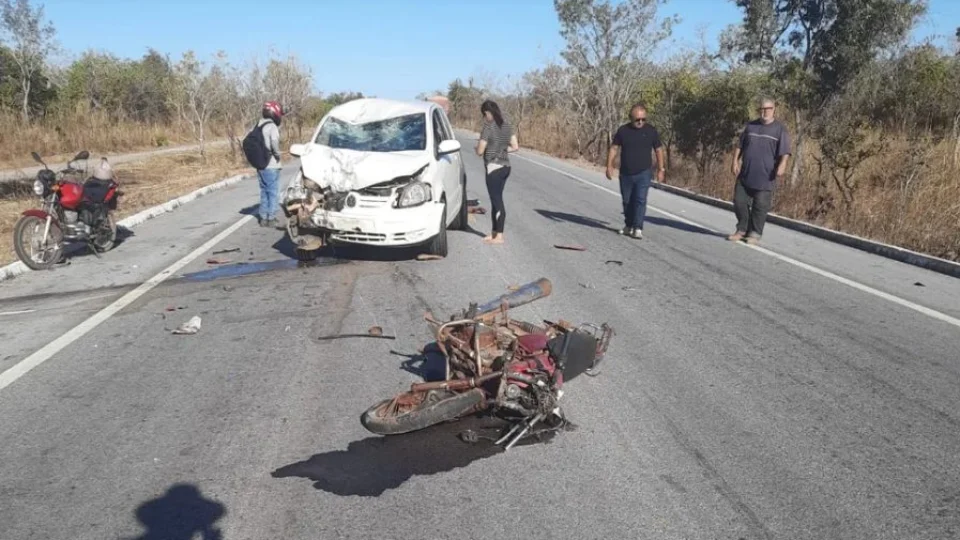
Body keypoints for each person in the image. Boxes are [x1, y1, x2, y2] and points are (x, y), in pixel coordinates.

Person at [729, 97, 791, 245]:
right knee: (739, 202)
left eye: (767, 109)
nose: (764, 112)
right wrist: (734, 161)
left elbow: (785, 152)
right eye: (762, 109)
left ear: (773, 110)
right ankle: (741, 230)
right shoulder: (751, 126)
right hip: (745, 173)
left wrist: (783, 165)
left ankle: (755, 233)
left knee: (760, 207)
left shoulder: (779, 129)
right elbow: (739, 145)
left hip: (765, 176)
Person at [606, 104, 665, 240]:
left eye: (643, 119)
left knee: (640, 200)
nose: (640, 122)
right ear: (630, 118)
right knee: (627, 201)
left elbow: (659, 150)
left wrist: (661, 169)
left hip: (644, 173)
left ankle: (637, 227)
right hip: (626, 173)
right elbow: (614, 148)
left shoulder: (651, 131)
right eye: (637, 119)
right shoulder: (623, 131)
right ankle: (628, 225)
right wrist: (609, 166)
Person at [475, 100, 519, 245]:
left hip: (493, 167)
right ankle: (494, 233)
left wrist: (478, 148)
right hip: (505, 167)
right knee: (495, 200)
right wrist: (503, 150)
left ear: (487, 113)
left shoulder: (488, 126)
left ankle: (499, 236)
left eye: (484, 114)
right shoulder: (506, 125)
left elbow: (480, 150)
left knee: (497, 201)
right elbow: (515, 146)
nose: (484, 118)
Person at [255, 101, 284, 228]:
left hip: (260, 164)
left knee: (264, 191)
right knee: (272, 192)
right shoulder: (272, 127)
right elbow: (274, 142)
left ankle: (263, 218)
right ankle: (271, 218)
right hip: (271, 164)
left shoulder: (257, 126)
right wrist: (278, 155)